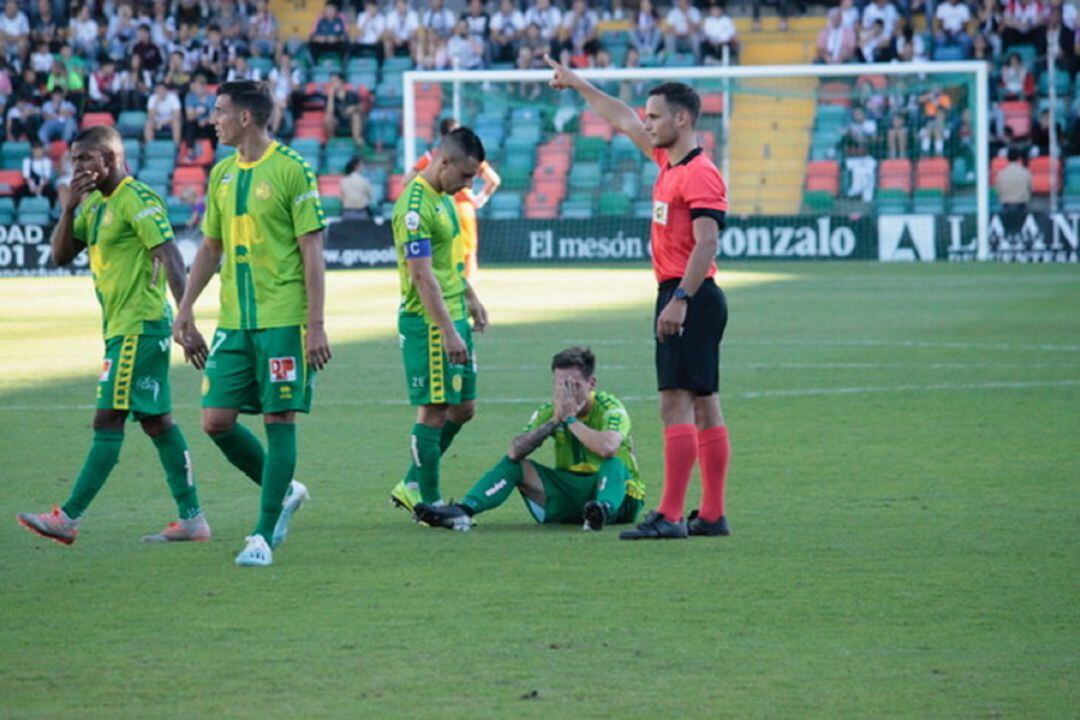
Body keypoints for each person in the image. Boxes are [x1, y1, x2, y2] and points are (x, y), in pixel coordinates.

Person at [545, 57, 732, 540]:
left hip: (688, 293)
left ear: (682, 119)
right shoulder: (669, 160)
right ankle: (710, 514)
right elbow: (620, 117)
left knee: (675, 405)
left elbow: (708, 243)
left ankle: (670, 516)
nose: (645, 123)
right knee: (705, 404)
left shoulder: (701, 173)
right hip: (689, 294)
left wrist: (681, 299)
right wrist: (578, 82)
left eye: (654, 116)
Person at [16, 125, 209, 546]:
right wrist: (67, 209)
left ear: (110, 159)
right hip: (121, 328)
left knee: (108, 418)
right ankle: (192, 519)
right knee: (158, 422)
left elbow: (170, 254)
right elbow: (61, 254)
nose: (78, 168)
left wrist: (186, 318)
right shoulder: (92, 206)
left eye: (85, 159)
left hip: (139, 326)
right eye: (73, 161)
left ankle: (67, 517)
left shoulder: (135, 199)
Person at [172, 80, 331, 567]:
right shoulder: (221, 175)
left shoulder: (292, 170)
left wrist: (315, 324)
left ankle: (261, 535)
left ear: (245, 117)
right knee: (215, 421)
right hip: (234, 322)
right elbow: (210, 249)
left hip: (282, 319)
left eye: (219, 111)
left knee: (278, 419)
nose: (212, 119)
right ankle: (282, 490)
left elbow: (312, 250)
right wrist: (184, 309)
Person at [415, 347, 646, 532]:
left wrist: (572, 420)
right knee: (517, 466)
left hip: (620, 497)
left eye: (572, 385)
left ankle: (601, 512)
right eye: (560, 384)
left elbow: (607, 447)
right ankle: (464, 510)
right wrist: (555, 421)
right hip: (571, 492)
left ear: (591, 383)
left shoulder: (609, 407)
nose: (566, 392)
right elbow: (514, 451)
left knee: (614, 462)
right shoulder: (550, 411)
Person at [388, 126, 489, 516]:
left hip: (455, 313)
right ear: (443, 162)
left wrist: (470, 296)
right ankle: (428, 500)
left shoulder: (445, 197)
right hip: (429, 323)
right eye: (464, 175)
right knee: (433, 410)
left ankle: (412, 481)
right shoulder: (413, 208)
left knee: (463, 408)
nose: (466, 184)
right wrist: (447, 331)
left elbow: (447, 264)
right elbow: (422, 276)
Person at [404, 118, 501, 279]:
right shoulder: (470, 155)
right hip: (463, 209)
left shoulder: (432, 157)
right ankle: (466, 297)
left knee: (441, 257)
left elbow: (407, 181)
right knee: (468, 256)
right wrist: (480, 199)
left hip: (438, 211)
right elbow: (494, 180)